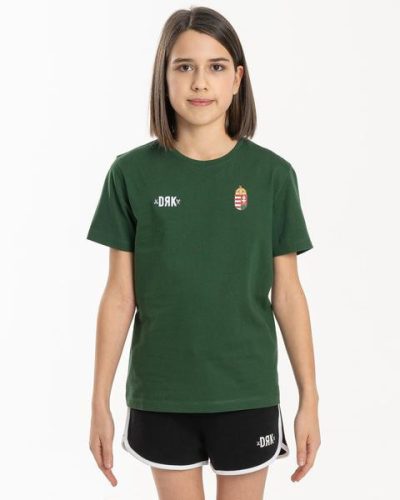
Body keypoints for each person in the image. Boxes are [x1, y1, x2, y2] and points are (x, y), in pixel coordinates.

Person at [87, 6, 321, 500]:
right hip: (162, 393)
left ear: (237, 79)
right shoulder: (130, 174)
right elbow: (119, 295)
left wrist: (310, 399)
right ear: (164, 76)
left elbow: (288, 295)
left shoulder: (273, 177)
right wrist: (98, 402)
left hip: (246, 390)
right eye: (184, 66)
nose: (200, 82)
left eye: (216, 66)